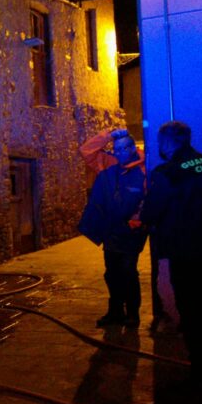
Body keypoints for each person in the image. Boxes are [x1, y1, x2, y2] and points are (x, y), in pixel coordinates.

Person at [140, 121, 202, 389]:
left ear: (167, 142)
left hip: (187, 254)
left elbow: (151, 212)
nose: (159, 146)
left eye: (160, 142)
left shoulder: (168, 172)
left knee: (193, 313)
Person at [78, 129, 148, 328]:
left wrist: (140, 219)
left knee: (128, 272)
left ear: (134, 148)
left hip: (132, 232)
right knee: (111, 273)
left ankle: (133, 314)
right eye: (117, 149)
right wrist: (108, 135)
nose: (120, 152)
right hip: (111, 230)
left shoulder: (145, 168)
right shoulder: (109, 164)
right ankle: (115, 312)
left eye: (125, 148)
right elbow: (86, 151)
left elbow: (149, 197)